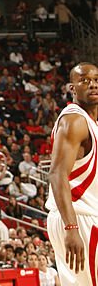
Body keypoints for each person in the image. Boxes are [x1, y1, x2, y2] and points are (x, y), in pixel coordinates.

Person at [47, 61, 98, 286]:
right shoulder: (74, 120)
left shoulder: (90, 123)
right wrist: (71, 228)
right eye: (85, 81)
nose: (93, 85)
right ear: (72, 88)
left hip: (80, 216)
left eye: (96, 80)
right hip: (79, 218)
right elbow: (57, 174)